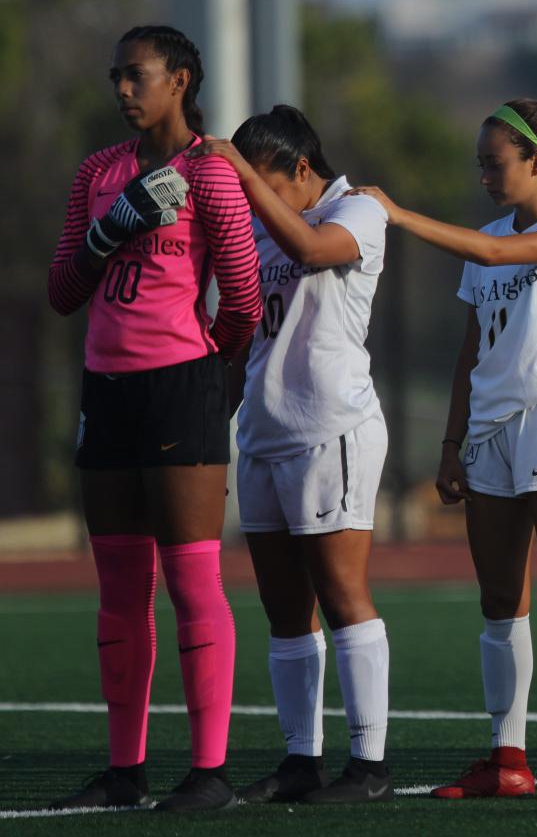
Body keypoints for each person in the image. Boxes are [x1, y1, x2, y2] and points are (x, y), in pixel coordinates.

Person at [352, 100, 537, 800]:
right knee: (500, 599)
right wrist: (451, 441)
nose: (483, 173)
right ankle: (508, 759)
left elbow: (499, 254)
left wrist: (400, 214)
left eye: (493, 161)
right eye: (479, 161)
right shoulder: (489, 234)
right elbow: (474, 347)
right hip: (490, 432)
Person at [46, 25, 261, 811]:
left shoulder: (210, 171)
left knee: (192, 579)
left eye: (137, 76)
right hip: (107, 390)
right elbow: (63, 289)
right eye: (117, 77)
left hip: (181, 388)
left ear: (182, 79)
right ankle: (125, 771)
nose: (123, 90)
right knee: (118, 588)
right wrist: (110, 233)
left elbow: (239, 298)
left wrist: (209, 372)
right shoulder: (97, 172)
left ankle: (209, 775)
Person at [191, 106, 394, 803]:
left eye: (264, 181)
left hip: (329, 428)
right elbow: (242, 330)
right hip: (264, 432)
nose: (252, 198)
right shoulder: (258, 223)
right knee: (283, 608)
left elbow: (312, 251)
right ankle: (300, 759)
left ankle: (369, 764)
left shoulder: (358, 209)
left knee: (342, 596)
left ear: (303, 169)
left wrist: (242, 179)